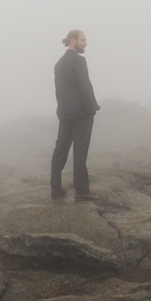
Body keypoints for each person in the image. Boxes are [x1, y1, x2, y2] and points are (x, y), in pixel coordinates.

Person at [50, 30, 100, 202]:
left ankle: (55, 188)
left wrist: (62, 109)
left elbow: (59, 90)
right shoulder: (79, 61)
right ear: (73, 41)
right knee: (80, 151)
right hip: (81, 113)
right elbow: (84, 87)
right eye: (83, 40)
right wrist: (91, 108)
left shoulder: (59, 63)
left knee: (60, 149)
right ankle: (82, 191)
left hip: (64, 112)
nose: (85, 43)